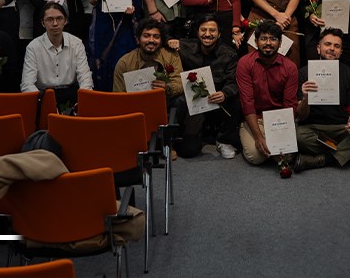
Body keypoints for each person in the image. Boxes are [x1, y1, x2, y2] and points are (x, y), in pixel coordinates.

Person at [296, 28, 350, 171]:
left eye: (337, 46)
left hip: (341, 128)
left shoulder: (347, 72)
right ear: (318, 48)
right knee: (296, 135)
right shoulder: (304, 72)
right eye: (327, 44)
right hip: (314, 129)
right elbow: (302, 116)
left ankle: (322, 159)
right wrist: (306, 97)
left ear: (341, 52)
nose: (332, 49)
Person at [236, 21, 299, 176]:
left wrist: (282, 136)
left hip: (279, 119)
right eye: (264, 39)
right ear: (256, 42)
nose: (268, 43)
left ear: (280, 42)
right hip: (255, 118)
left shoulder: (290, 67)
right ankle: (249, 134)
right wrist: (258, 137)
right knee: (256, 156)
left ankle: (274, 149)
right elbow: (247, 103)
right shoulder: (245, 63)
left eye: (273, 39)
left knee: (288, 155)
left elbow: (290, 105)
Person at [176, 14, 240, 159]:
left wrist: (224, 93)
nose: (207, 34)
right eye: (203, 30)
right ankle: (184, 136)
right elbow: (162, 39)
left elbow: (233, 81)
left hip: (218, 102)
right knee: (189, 151)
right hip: (195, 103)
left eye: (212, 31)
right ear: (197, 32)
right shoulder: (185, 47)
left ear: (219, 34)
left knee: (235, 98)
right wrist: (169, 40)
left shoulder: (229, 54)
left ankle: (223, 140)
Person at [21, 1, 93, 111]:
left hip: (72, 94)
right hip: (44, 96)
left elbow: (85, 78)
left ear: (65, 21)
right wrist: (42, 104)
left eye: (59, 18)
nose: (55, 23)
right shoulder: (33, 47)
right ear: (42, 23)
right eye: (49, 19)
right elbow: (27, 84)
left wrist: (82, 101)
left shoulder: (76, 43)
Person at [112, 18, 183, 102]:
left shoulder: (171, 55)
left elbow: (179, 83)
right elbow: (119, 95)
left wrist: (167, 88)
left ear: (161, 41)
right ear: (138, 39)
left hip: (165, 102)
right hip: (134, 105)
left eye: (156, 37)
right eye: (146, 36)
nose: (151, 40)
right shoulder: (124, 62)